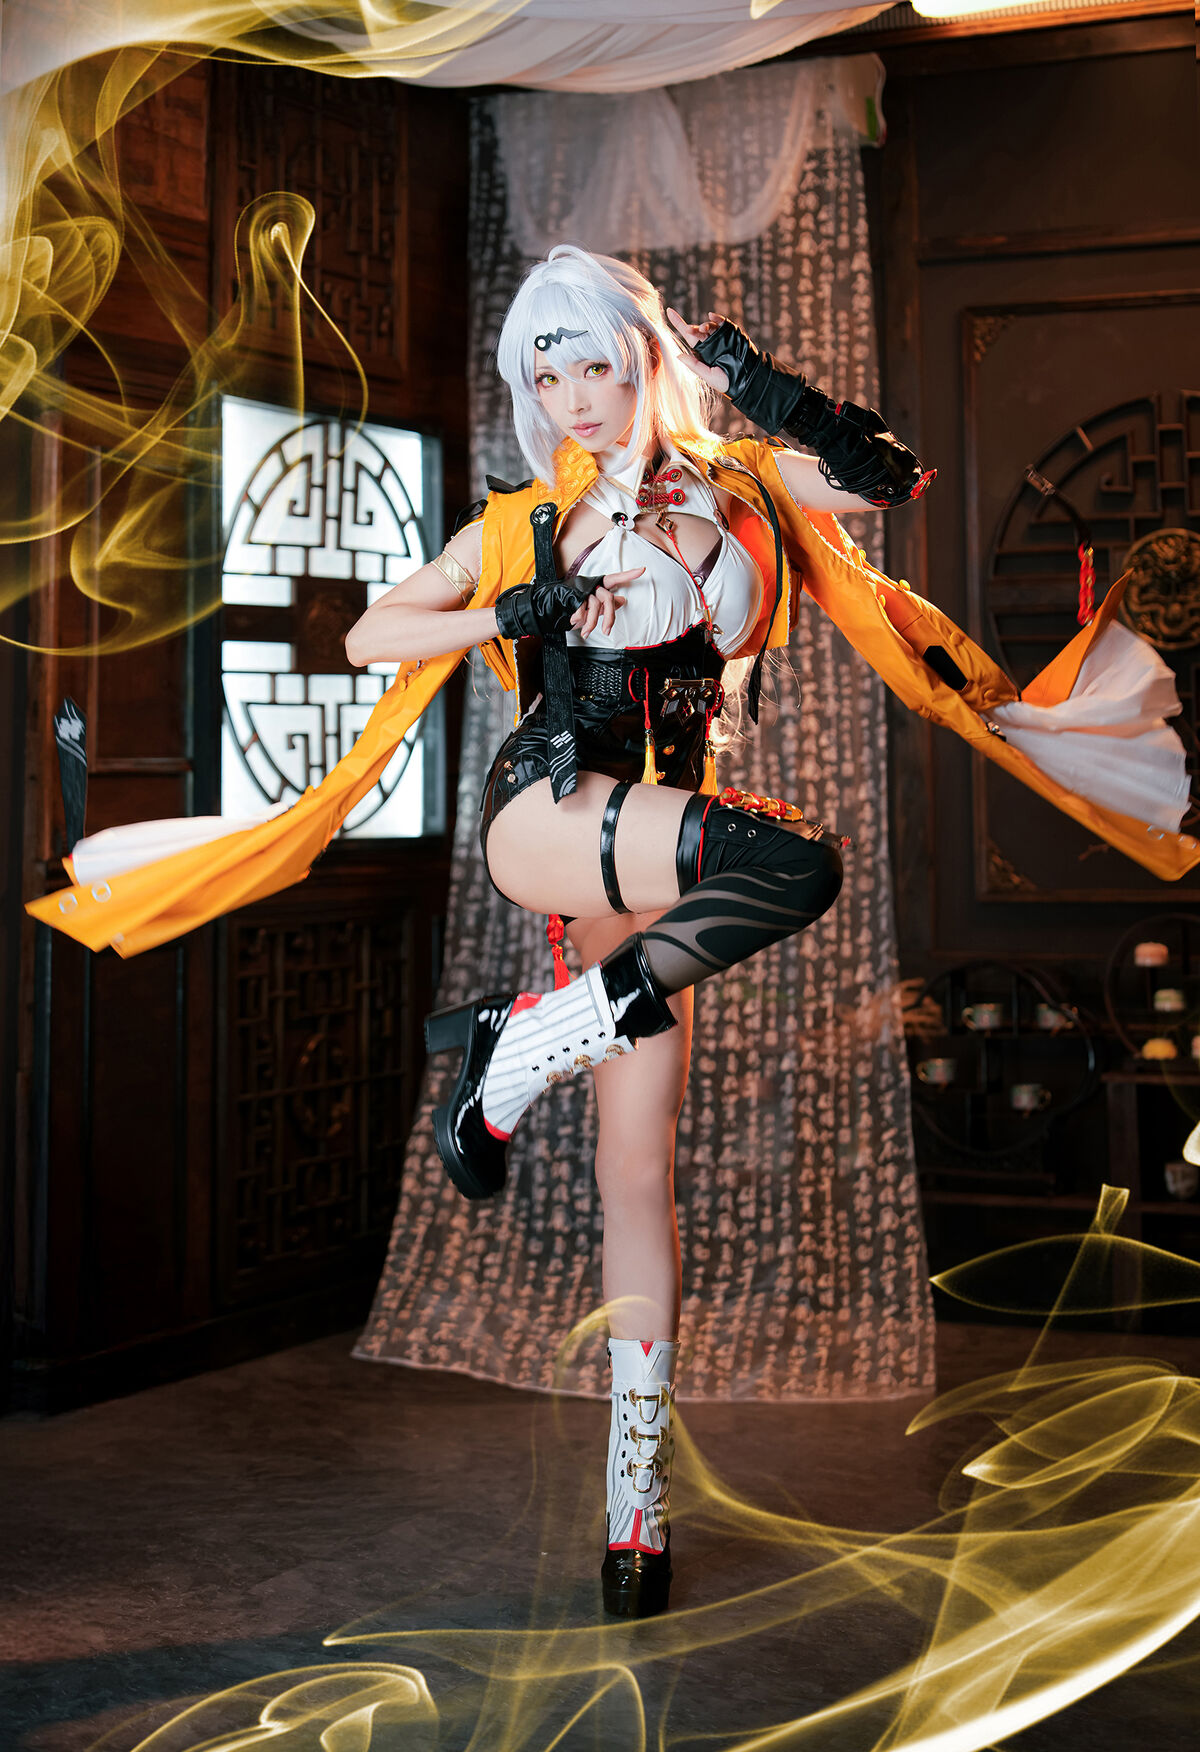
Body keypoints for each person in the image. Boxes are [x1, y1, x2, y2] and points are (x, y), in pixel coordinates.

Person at [342, 244, 937, 1620]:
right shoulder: (521, 520)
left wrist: (756, 381)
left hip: (664, 853)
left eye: (593, 366)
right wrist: (514, 612)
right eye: (545, 375)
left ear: (643, 361)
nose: (570, 397)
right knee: (797, 861)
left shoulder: (741, 480)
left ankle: (634, 1504)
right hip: (548, 814)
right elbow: (372, 634)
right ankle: (514, 1051)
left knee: (636, 1175)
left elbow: (886, 479)